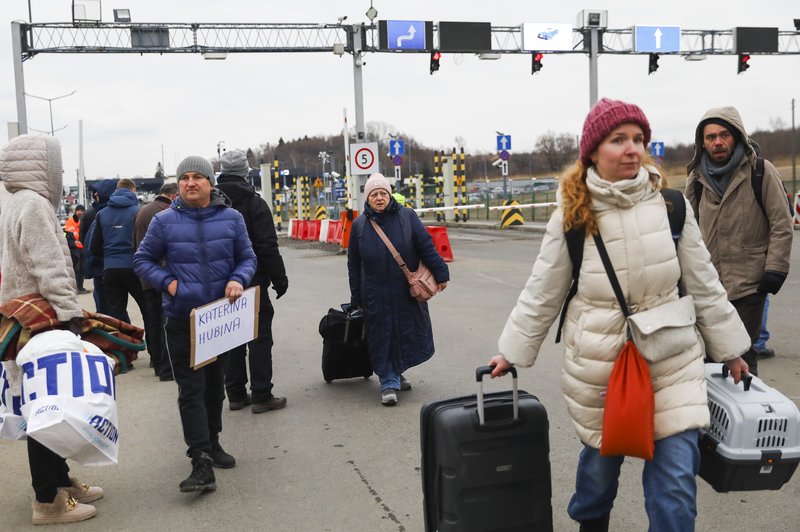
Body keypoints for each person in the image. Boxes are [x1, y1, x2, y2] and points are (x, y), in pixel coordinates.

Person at [486, 99, 751, 532]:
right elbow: (542, 291)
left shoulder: (671, 208)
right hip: (601, 365)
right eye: (619, 140)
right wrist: (511, 352)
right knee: (597, 477)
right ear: (593, 151)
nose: (633, 149)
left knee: (675, 488)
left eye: (639, 139)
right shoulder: (572, 216)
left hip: (672, 361)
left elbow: (704, 284)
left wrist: (733, 350)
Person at [133, 155, 256, 493]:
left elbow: (248, 257)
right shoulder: (164, 221)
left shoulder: (232, 219)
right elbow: (142, 259)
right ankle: (200, 458)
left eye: (197, 177)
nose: (190, 183)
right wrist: (169, 284)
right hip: (182, 319)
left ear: (210, 183)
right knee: (190, 389)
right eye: (184, 177)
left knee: (215, 386)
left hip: (221, 319)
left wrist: (238, 279)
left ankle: (213, 441)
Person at [0, 134, 103, 525]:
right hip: (42, 319)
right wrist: (69, 313)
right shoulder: (35, 205)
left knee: (48, 403)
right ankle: (48, 500)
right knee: (48, 408)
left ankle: (60, 482)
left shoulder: (17, 203)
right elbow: (50, 266)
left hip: (23, 317)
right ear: (44, 167)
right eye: (55, 165)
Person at [685, 106, 793, 376]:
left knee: (742, 355)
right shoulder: (696, 178)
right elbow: (686, 231)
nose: (718, 142)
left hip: (749, 286)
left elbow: (782, 223)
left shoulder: (761, 171)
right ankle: (713, 416)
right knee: (708, 356)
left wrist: (774, 269)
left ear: (737, 136)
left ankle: (747, 414)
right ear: (703, 142)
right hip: (709, 286)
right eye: (710, 137)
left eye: (724, 135)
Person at [347, 173, 449, 406]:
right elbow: (354, 264)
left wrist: (441, 274)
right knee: (381, 335)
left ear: (390, 195)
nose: (379, 198)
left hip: (405, 290)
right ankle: (388, 380)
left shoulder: (406, 217)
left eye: (383, 193)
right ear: (368, 199)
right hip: (374, 293)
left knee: (406, 332)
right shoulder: (360, 225)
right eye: (374, 194)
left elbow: (426, 246)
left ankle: (397, 368)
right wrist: (356, 296)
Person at [216, 149, 289, 413]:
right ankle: (261, 394)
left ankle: (235, 394)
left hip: (220, 283)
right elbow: (267, 246)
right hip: (253, 280)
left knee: (231, 338)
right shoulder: (255, 203)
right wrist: (280, 279)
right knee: (259, 338)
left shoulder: (212, 203)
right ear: (246, 172)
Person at [133, 182, 178, 381]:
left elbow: (135, 244)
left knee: (152, 320)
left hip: (145, 276)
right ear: (173, 195)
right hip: (161, 276)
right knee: (164, 322)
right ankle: (165, 366)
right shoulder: (164, 213)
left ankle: (156, 361)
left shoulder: (143, 211)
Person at [91, 178, 145, 323]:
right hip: (135, 267)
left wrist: (107, 259)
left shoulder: (102, 214)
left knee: (116, 313)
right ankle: (154, 344)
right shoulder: (139, 212)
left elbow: (94, 246)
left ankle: (124, 344)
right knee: (148, 309)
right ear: (133, 191)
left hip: (110, 268)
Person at [80, 179, 117, 314]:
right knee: (113, 306)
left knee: (104, 304)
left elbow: (85, 239)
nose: (95, 196)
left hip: (100, 266)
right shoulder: (94, 214)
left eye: (97, 193)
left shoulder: (93, 214)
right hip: (107, 265)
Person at [63, 204, 89, 294]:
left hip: (83, 247)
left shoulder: (83, 220)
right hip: (74, 248)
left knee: (82, 268)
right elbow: (72, 235)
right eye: (78, 210)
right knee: (75, 269)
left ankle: (80, 287)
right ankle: (74, 288)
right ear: (75, 211)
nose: (80, 212)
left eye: (82, 210)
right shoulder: (70, 221)